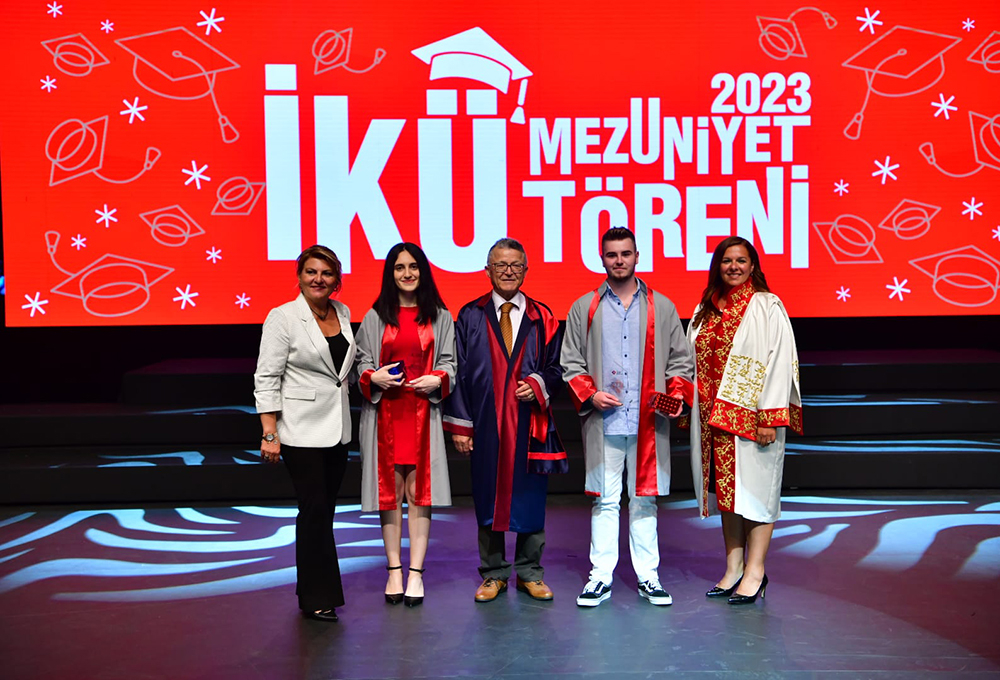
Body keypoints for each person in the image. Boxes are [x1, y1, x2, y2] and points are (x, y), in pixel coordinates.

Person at [561, 227, 694, 608]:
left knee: (644, 501)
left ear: (637, 256)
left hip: (648, 422)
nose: (619, 260)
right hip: (604, 422)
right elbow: (570, 362)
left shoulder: (661, 306)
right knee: (604, 501)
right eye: (612, 254)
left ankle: (648, 576)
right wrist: (590, 394)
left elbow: (681, 361)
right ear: (601, 258)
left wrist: (675, 396)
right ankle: (600, 577)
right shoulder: (584, 307)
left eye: (625, 253)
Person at [444, 238, 567, 603]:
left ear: (526, 270)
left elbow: (557, 367)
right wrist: (462, 426)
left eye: (516, 265)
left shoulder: (543, 316)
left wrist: (539, 383)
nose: (509, 271)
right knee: (487, 495)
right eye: (501, 265)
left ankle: (530, 572)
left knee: (531, 497)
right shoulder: (470, 315)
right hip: (486, 423)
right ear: (488, 270)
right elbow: (458, 372)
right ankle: (493, 573)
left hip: (530, 425)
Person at [685, 235, 802, 605]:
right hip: (713, 419)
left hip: (752, 419)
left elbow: (780, 362)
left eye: (740, 260)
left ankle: (756, 571)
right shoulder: (705, 309)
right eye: (726, 260)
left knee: (758, 495)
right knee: (728, 496)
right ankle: (733, 568)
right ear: (717, 266)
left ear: (753, 266)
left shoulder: (766, 305)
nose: (733, 267)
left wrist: (769, 415)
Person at [254, 245, 356, 623]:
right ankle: (317, 597)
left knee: (323, 513)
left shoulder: (342, 312)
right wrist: (269, 433)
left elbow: (340, 373)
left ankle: (311, 588)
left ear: (336, 280)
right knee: (313, 511)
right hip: (299, 431)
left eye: (326, 273)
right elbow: (267, 377)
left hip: (337, 430)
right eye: (311, 272)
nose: (318, 279)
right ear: (299, 277)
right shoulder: (282, 317)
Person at [355, 242, 456, 608]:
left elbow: (450, 364)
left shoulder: (440, 316)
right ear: (390, 273)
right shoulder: (375, 316)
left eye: (413, 266)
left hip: (423, 414)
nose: (407, 273)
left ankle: (416, 573)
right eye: (400, 267)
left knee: (418, 494)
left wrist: (438, 379)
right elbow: (360, 364)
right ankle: (394, 570)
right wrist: (373, 377)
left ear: (422, 271)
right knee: (391, 494)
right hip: (386, 414)